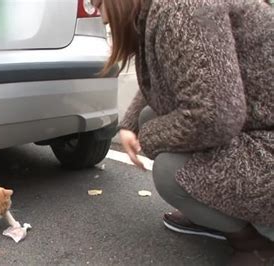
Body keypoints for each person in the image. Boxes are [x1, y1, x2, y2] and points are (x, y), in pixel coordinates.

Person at [92, 0, 274, 264]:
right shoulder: (160, 9)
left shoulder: (181, 8)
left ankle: (256, 246)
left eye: (95, 2)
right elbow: (174, 78)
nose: (97, 11)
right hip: (256, 128)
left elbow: (214, 117)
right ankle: (214, 211)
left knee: (169, 170)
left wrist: (148, 138)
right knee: (149, 118)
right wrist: (130, 124)